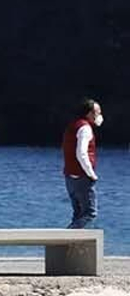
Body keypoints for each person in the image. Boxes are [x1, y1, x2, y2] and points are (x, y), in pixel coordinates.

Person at [65, 98, 105, 229]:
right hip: (82, 177)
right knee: (89, 213)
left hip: (70, 176)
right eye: (98, 112)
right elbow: (81, 153)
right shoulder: (85, 128)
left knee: (78, 215)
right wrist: (91, 174)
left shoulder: (73, 125)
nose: (100, 115)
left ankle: (70, 240)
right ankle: (66, 238)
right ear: (89, 113)